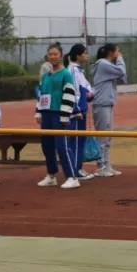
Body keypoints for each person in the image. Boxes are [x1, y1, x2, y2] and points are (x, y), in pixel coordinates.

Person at [35, 43, 79, 189]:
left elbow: (69, 94)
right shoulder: (46, 75)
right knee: (46, 145)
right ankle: (51, 174)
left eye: (55, 54)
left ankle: (72, 176)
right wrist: (39, 111)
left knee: (62, 146)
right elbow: (42, 94)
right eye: (50, 54)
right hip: (46, 114)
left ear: (61, 55)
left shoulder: (66, 74)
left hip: (59, 114)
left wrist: (65, 115)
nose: (52, 57)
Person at [91, 43, 127, 177]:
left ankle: (107, 164)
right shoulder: (102, 64)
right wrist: (120, 60)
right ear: (111, 53)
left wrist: (119, 63)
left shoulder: (108, 66)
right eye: (117, 50)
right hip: (101, 104)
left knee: (108, 136)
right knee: (102, 136)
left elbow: (123, 78)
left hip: (108, 103)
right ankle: (100, 166)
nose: (119, 53)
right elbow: (121, 71)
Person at [66, 44, 95, 180]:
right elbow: (72, 91)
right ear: (77, 55)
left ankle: (78, 167)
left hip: (82, 109)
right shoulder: (72, 70)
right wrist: (76, 109)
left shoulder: (79, 70)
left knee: (80, 141)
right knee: (76, 141)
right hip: (76, 112)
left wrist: (89, 94)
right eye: (84, 53)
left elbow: (85, 87)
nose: (86, 56)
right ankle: (75, 170)